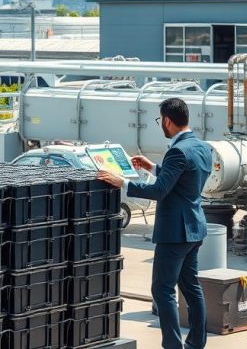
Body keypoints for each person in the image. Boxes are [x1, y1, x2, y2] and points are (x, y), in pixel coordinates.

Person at [97, 97, 212, 349]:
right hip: (194, 229)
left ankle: (172, 345)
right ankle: (196, 343)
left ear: (168, 121)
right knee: (192, 288)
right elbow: (184, 178)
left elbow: (160, 191)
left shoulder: (177, 151)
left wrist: (122, 182)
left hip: (174, 233)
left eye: (161, 120)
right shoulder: (201, 147)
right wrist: (154, 168)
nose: (161, 124)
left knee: (162, 290)